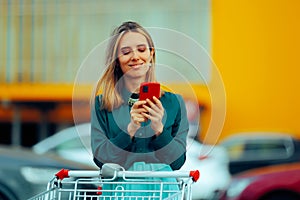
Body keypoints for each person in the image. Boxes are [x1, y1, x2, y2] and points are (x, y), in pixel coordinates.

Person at [90, 21, 189, 171]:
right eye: (126, 52)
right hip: (120, 192)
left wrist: (159, 129)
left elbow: (177, 162)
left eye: (141, 49)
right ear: (116, 60)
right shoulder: (102, 104)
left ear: (151, 53)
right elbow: (100, 160)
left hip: (162, 192)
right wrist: (130, 130)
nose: (135, 57)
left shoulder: (174, 102)